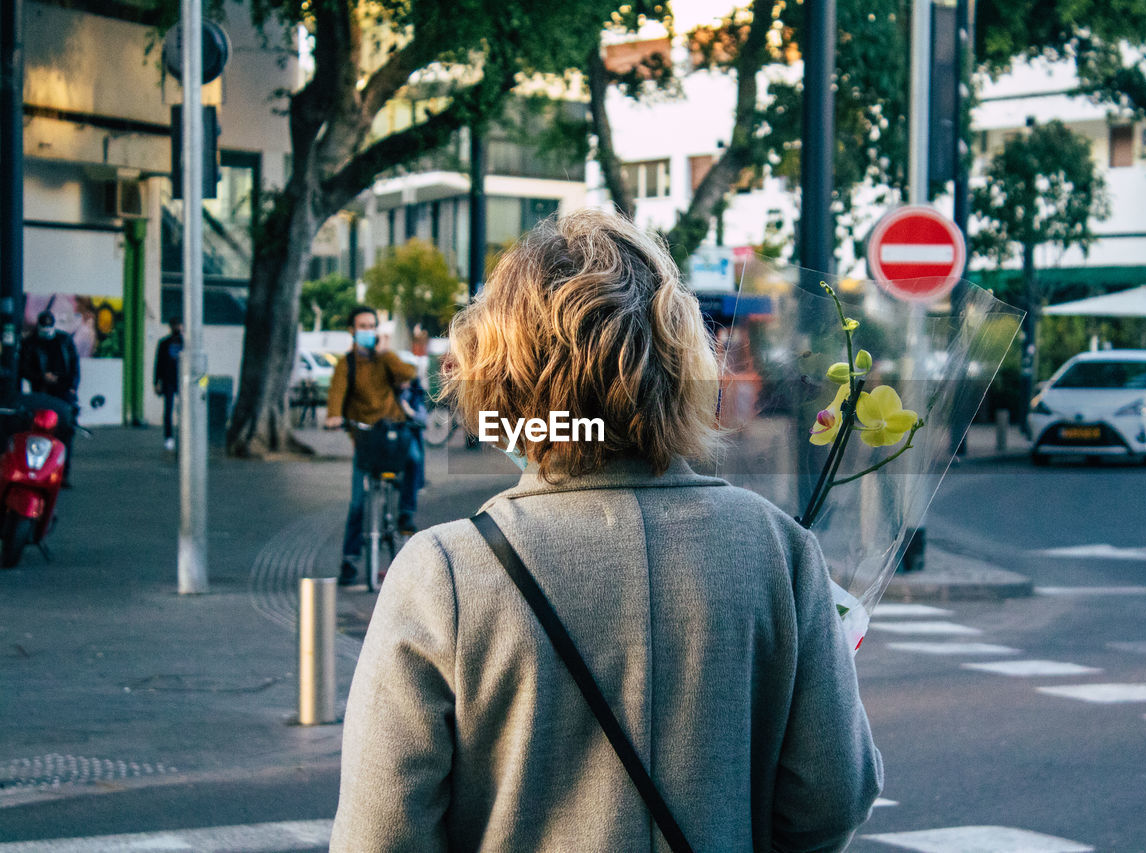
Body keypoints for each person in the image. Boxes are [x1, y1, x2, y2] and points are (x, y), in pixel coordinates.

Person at [331, 210, 883, 851]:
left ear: (500, 377)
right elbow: (833, 797)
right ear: (682, 362)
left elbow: (380, 834)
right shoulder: (776, 549)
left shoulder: (446, 573)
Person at [325, 306, 420, 586]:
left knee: (413, 458)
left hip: (392, 430)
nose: (368, 330)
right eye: (362, 326)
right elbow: (337, 392)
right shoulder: (347, 364)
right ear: (352, 330)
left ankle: (406, 513)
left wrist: (385, 354)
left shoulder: (385, 359)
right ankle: (350, 559)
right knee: (357, 503)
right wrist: (333, 416)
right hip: (365, 438)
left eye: (372, 325)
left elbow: (409, 373)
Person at [21, 311, 80, 484]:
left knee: (65, 431)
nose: (46, 330)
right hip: (42, 391)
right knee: (40, 432)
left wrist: (71, 387)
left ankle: (63, 472)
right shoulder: (31, 343)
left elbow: (74, 366)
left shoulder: (64, 341)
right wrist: (41, 377)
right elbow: (24, 368)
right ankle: (43, 470)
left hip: (61, 391)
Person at [153, 318, 183, 451]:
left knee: (182, 410)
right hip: (169, 380)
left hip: (181, 380)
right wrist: (156, 382)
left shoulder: (185, 343)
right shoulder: (164, 343)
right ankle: (169, 438)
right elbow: (158, 364)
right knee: (168, 410)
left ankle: (181, 435)